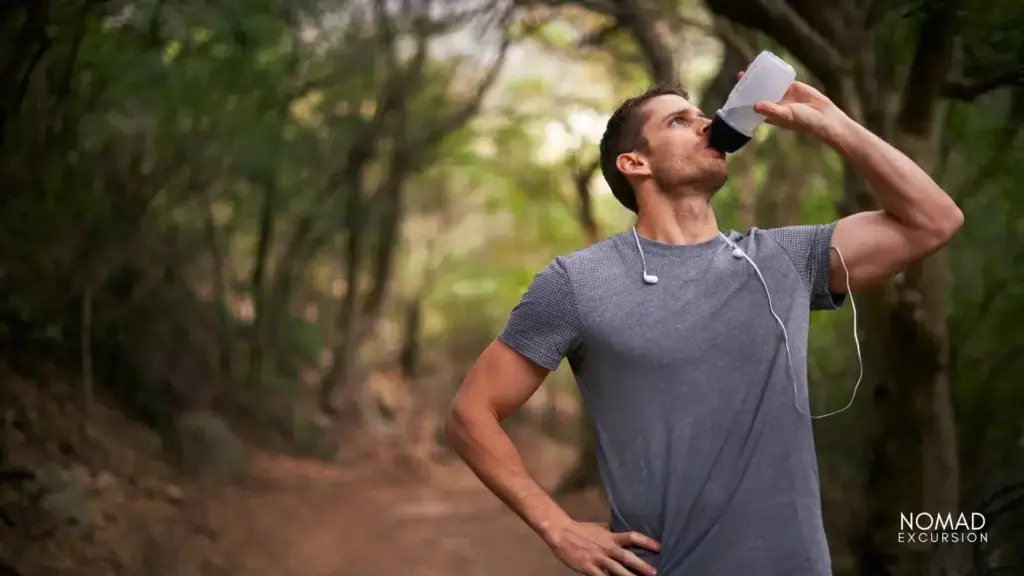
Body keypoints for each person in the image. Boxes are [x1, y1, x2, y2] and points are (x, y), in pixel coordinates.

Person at [444, 75, 963, 576]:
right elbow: (471, 413)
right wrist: (556, 526)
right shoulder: (577, 283)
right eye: (678, 121)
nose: (706, 125)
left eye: (701, 116)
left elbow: (934, 220)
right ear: (634, 162)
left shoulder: (782, 259)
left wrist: (833, 123)